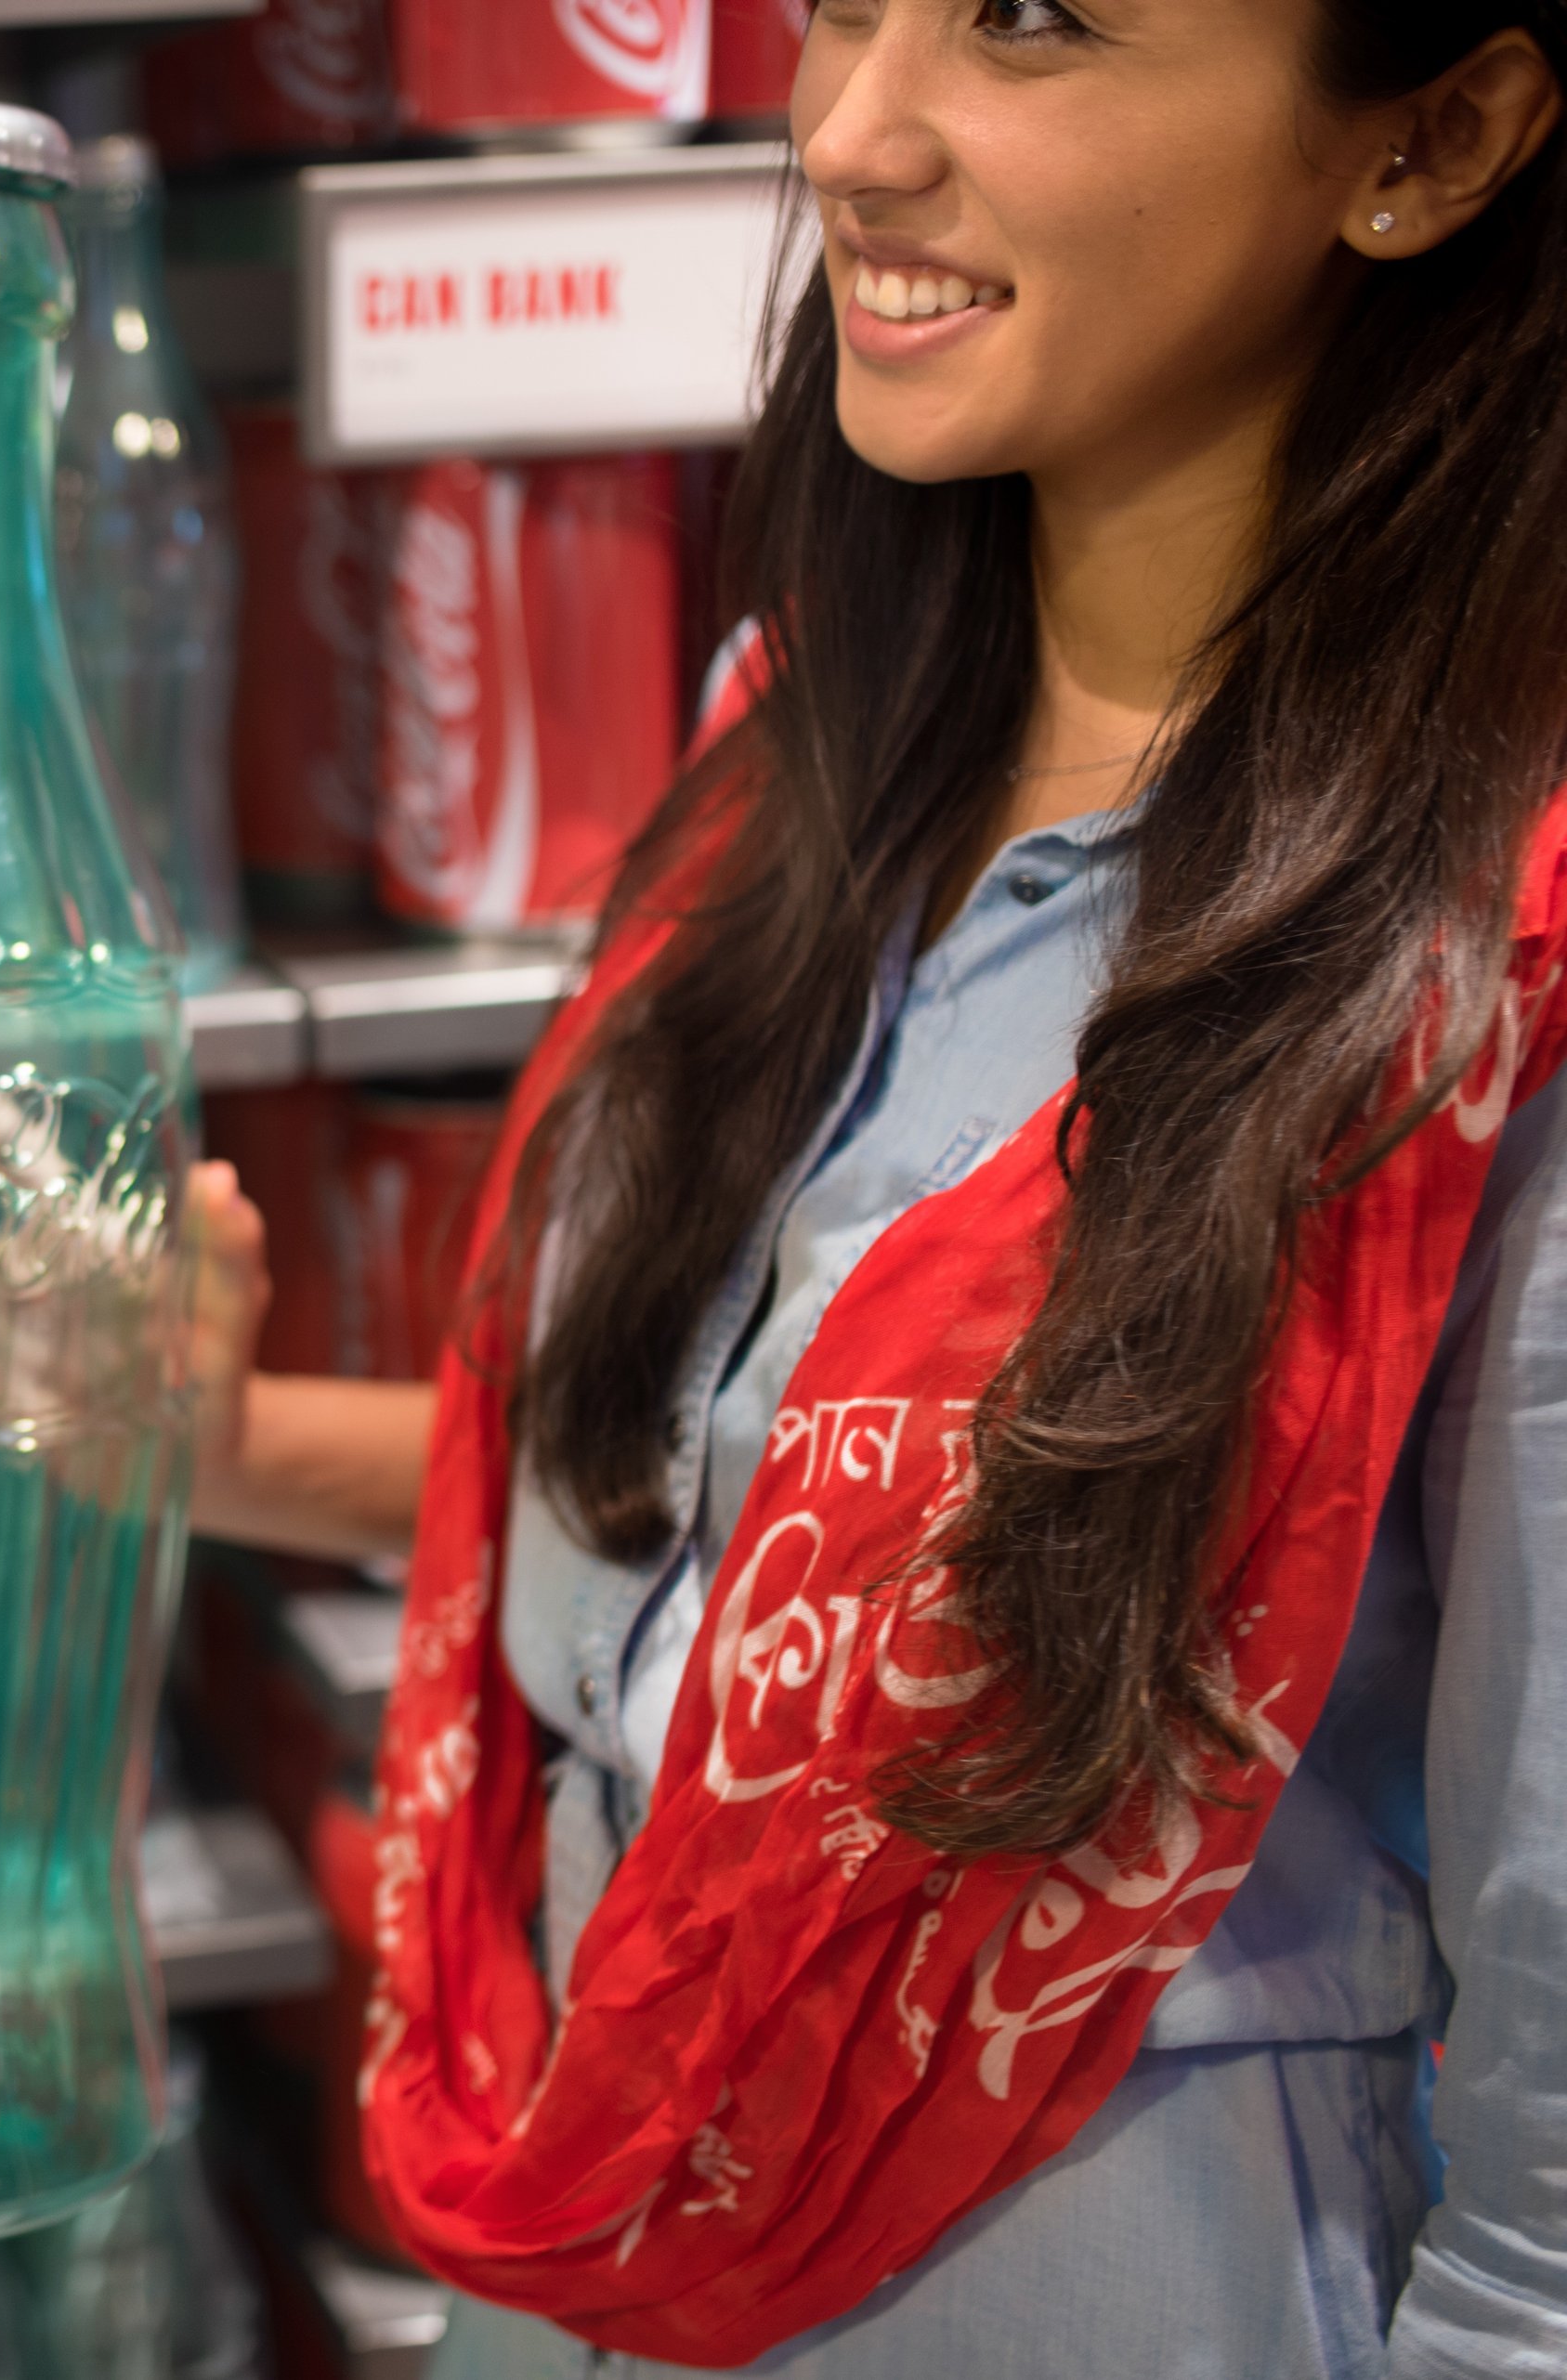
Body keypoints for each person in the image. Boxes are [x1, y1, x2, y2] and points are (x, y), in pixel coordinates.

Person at [188, 2, 1567, 2373]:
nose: (847, 128)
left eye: (1029, 22)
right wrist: (209, 1449)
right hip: (562, 2244)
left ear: (1429, 142)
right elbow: (776, 1581)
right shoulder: (788, 749)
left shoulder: (1492, 982)